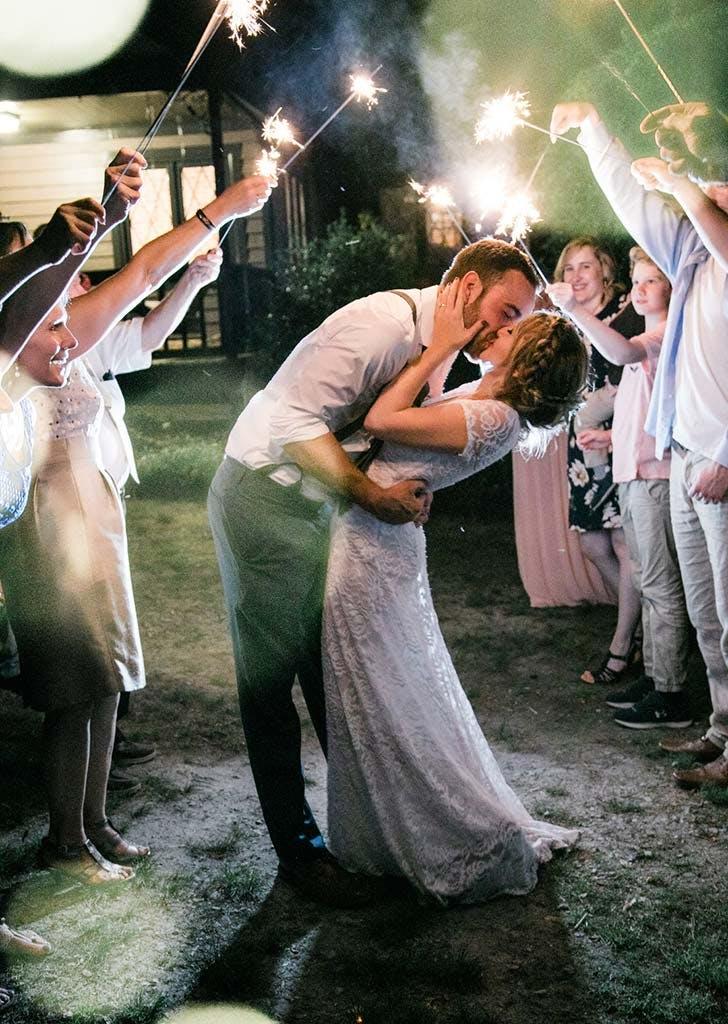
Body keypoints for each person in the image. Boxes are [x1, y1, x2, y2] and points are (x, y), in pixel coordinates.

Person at [208, 237, 540, 906]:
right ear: (468, 287)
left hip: (318, 509)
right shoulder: (379, 328)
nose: (509, 329)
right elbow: (294, 421)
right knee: (272, 687)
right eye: (508, 310)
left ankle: (379, 829)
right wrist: (372, 497)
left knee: (335, 677)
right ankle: (301, 855)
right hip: (263, 497)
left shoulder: (438, 344)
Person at [0, 156, 271, 885]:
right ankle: (62, 841)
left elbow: (142, 277)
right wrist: (85, 240)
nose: (63, 330)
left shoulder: (58, 335)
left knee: (110, 681)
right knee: (71, 690)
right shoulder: (6, 361)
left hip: (100, 528)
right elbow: (63, 293)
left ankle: (92, 824)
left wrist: (220, 211)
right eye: (43, 308)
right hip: (48, 541)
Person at [324, 280, 587, 902]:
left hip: (370, 547)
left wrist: (435, 346)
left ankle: (436, 832)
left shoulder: (495, 417)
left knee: (383, 696)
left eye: (514, 330)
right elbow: (424, 416)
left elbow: (382, 421)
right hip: (378, 537)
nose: (500, 331)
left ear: (525, 358)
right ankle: (400, 828)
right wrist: (444, 355)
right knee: (394, 690)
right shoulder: (491, 402)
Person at [550, 100, 728, 789]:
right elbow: (633, 199)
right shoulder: (690, 255)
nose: (700, 189)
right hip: (685, 454)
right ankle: (718, 729)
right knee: (708, 613)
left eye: (712, 176)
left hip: (719, 461)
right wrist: (597, 129)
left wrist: (726, 454)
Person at [79, 249, 224, 792]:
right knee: (91, 636)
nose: (84, 284)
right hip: (71, 515)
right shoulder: (45, 342)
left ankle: (109, 741)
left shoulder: (87, 337)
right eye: (72, 280)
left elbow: (151, 333)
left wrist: (193, 278)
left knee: (112, 627)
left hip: (106, 503)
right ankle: (92, 761)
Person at [549, 247, 693, 731]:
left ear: (672, 287)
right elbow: (647, 411)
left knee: (659, 583)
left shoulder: (662, 335)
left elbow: (620, 352)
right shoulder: (647, 335)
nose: (641, 289)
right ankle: (655, 677)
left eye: (652, 280)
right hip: (631, 469)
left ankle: (671, 694)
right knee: (650, 582)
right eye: (638, 280)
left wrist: (571, 309)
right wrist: (611, 437)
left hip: (655, 475)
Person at [552, 238, 643, 684]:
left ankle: (623, 648)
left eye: (586, 267)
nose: (577, 276)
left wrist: (612, 434)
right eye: (569, 269)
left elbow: (641, 378)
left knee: (626, 546)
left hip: (624, 440)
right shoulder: (565, 325)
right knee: (592, 545)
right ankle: (641, 623)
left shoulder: (628, 311)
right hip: (583, 449)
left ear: (606, 272)